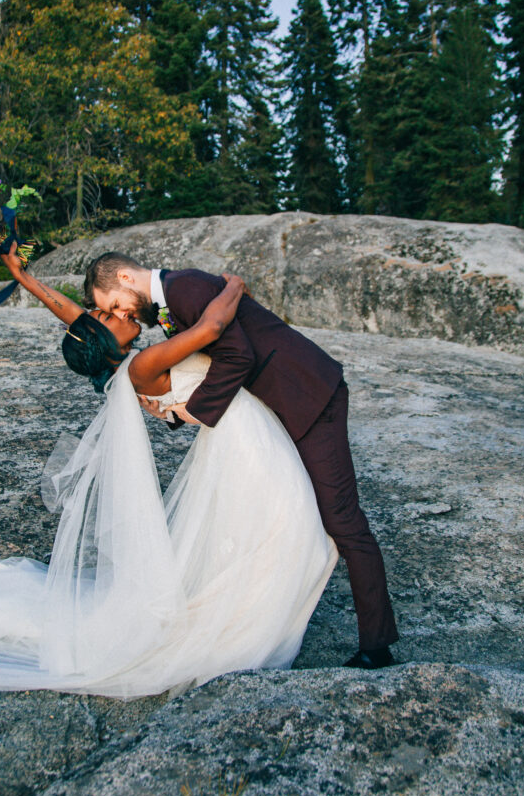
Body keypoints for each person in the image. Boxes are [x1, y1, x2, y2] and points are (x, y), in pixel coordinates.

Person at [0, 245, 337, 697]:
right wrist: (232, 283)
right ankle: (250, 624)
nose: (116, 314)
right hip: (243, 444)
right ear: (109, 339)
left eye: (105, 310)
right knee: (291, 532)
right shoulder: (144, 364)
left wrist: (23, 277)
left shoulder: (116, 366)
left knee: (271, 535)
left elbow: (75, 319)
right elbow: (211, 328)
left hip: (238, 437)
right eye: (110, 317)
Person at [85, 253, 399, 670]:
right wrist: (175, 408)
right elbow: (204, 355)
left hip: (307, 397)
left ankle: (377, 648)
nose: (119, 313)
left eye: (112, 304)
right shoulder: (169, 298)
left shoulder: (186, 289)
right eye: (110, 313)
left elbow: (237, 356)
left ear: (124, 277)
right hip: (275, 409)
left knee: (342, 521)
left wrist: (191, 411)